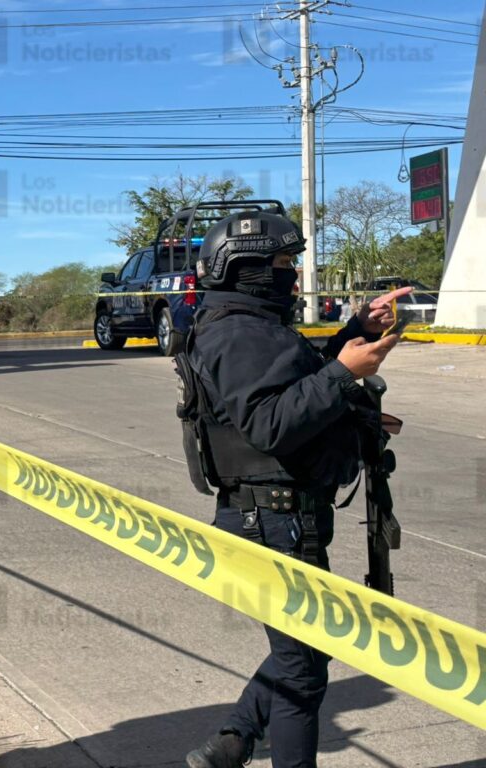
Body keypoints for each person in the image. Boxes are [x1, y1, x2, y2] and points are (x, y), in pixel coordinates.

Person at [178, 210, 408, 768]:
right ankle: (233, 745)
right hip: (272, 520)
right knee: (303, 672)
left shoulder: (249, 324)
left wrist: (356, 331)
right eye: (284, 263)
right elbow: (270, 423)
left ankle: (229, 743)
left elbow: (291, 382)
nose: (294, 276)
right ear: (249, 268)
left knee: (306, 649)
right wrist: (344, 374)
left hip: (281, 515)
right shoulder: (238, 332)